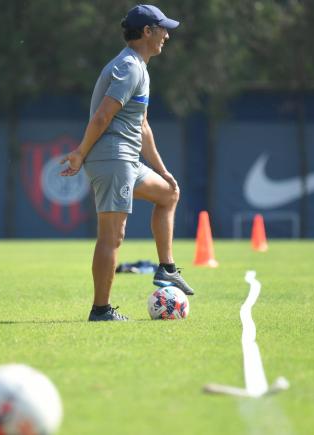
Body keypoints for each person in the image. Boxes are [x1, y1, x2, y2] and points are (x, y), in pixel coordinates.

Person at [60, 4, 195, 322]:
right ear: (147, 32)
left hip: (127, 159)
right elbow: (103, 115)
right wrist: (80, 152)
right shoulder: (130, 67)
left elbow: (142, 125)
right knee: (112, 237)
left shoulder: (138, 67)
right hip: (113, 159)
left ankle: (166, 269)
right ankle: (101, 310)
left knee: (168, 193)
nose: (167, 36)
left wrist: (162, 170)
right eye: (163, 29)